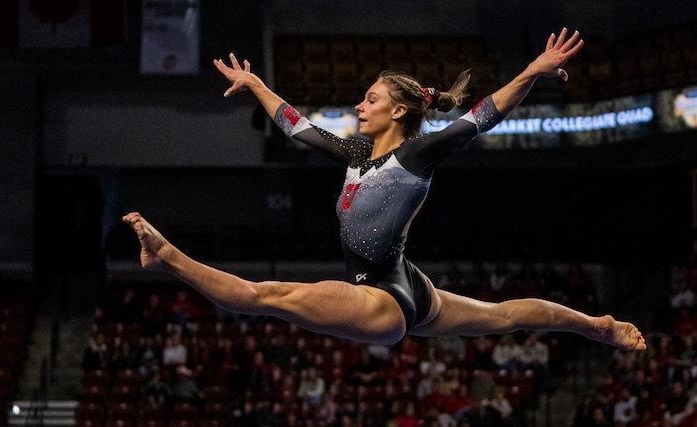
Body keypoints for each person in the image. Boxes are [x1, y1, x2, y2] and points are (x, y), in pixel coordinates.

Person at [123, 28, 646, 352]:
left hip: (382, 299)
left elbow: (480, 117)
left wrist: (532, 70)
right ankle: (596, 327)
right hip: (408, 285)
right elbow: (295, 126)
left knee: (265, 296)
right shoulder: (354, 155)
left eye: (369, 99)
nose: (359, 106)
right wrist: (257, 84)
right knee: (502, 316)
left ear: (398, 111)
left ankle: (167, 257)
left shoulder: (415, 154)